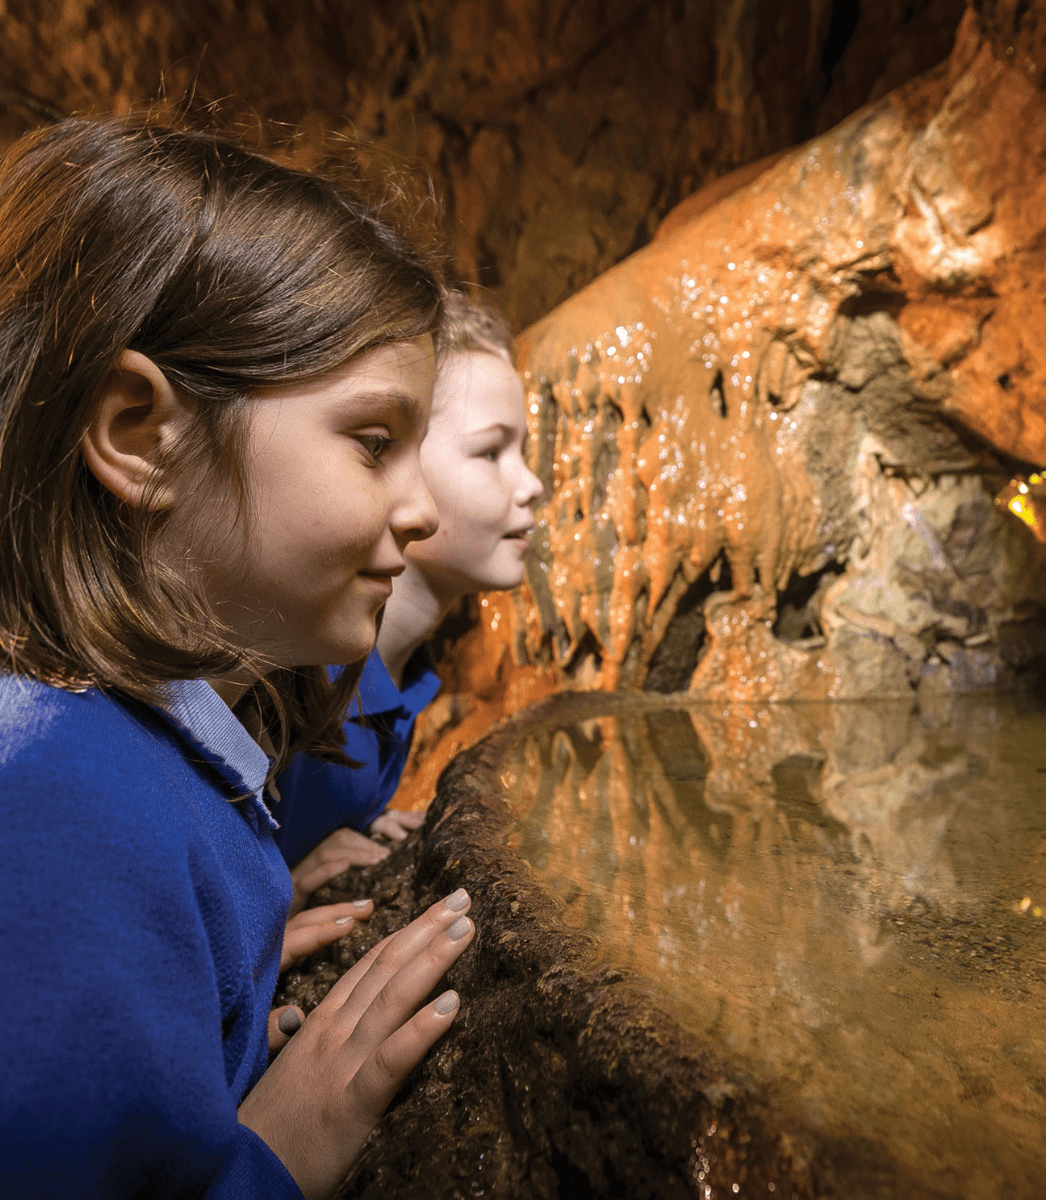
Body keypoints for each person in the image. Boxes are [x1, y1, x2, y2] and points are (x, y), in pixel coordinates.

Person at [0, 114, 477, 1199]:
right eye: (374, 441)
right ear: (139, 433)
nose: (421, 509)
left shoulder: (112, 761)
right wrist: (276, 1150)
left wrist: (214, 1009)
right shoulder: (60, 807)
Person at [274, 292, 545, 910]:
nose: (531, 484)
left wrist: (361, 827)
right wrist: (277, 896)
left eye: (524, 450)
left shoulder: (403, 680)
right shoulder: (293, 674)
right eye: (490, 451)